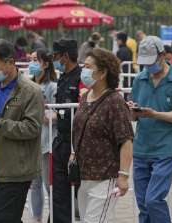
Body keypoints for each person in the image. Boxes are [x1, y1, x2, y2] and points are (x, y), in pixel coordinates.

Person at [0, 39, 44, 223]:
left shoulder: (30, 91)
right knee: (10, 218)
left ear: (11, 62)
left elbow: (32, 128)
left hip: (16, 169)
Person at [129, 36, 172, 223]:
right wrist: (132, 111)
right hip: (141, 149)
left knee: (153, 200)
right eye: (144, 63)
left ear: (163, 55)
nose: (148, 67)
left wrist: (155, 114)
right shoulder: (139, 79)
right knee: (143, 204)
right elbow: (134, 115)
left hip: (165, 149)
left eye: (151, 62)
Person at [72, 48, 133, 222]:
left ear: (103, 72)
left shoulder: (115, 101)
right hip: (83, 176)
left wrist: (123, 176)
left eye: (88, 67)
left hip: (105, 177)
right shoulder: (85, 97)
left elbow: (126, 140)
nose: (84, 70)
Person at [52, 38, 83, 223]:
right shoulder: (62, 77)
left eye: (56, 56)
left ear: (65, 56)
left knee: (81, 190)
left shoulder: (80, 77)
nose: (54, 60)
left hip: (77, 142)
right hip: (61, 139)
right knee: (59, 190)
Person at [28, 48, 58, 222]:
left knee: (49, 184)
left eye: (35, 60)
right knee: (35, 184)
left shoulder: (53, 87)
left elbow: (58, 113)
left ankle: (54, 216)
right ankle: (36, 218)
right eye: (30, 60)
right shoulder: (27, 85)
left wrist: (45, 116)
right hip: (32, 143)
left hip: (48, 143)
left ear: (45, 64)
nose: (31, 64)